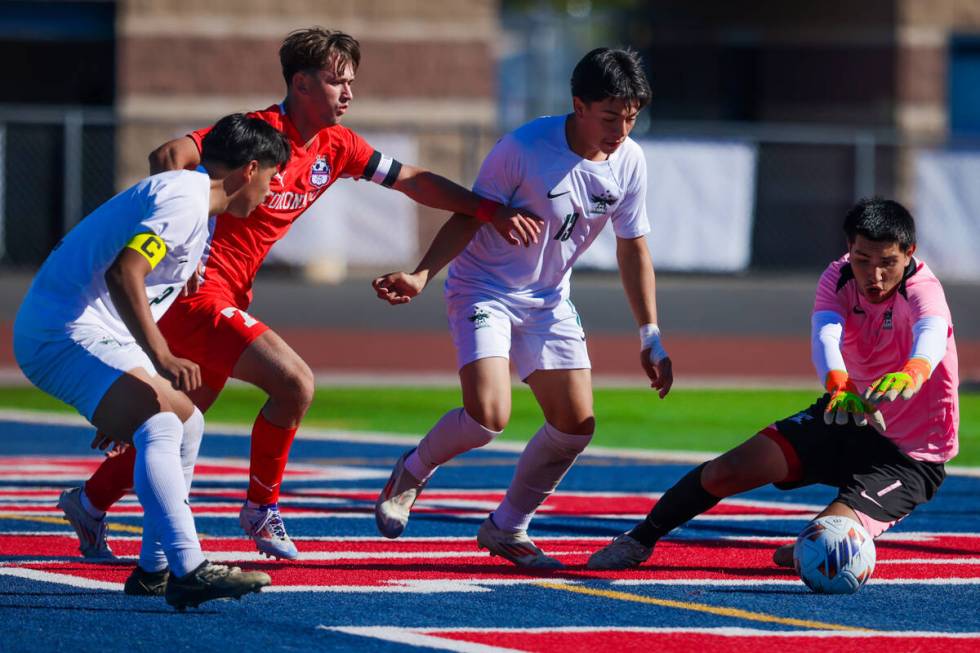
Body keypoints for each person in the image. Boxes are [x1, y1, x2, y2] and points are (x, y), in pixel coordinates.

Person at [58, 27, 541, 566]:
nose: (348, 92)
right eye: (337, 81)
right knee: (294, 382)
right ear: (301, 83)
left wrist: (489, 210)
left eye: (351, 81)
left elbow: (413, 181)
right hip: (197, 294)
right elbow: (166, 154)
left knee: (179, 417)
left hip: (232, 295)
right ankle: (259, 508)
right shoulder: (256, 133)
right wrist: (183, 250)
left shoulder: (339, 146)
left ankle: (89, 501)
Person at [372, 47, 673, 569]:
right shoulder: (524, 147)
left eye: (631, 117)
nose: (621, 129)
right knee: (489, 416)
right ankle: (412, 471)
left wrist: (650, 333)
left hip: (549, 299)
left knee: (577, 425)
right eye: (609, 117)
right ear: (578, 105)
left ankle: (507, 528)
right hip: (483, 287)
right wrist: (422, 274)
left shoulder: (630, 161)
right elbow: (470, 213)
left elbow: (633, 246)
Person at [587, 197, 958, 571]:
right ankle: (639, 539)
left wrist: (915, 369)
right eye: (863, 260)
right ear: (849, 249)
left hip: (911, 456)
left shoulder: (923, 288)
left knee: (828, 546)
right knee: (725, 471)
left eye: (887, 263)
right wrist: (838, 382)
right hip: (848, 413)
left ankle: (805, 549)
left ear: (909, 253)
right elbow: (825, 333)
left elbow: (933, 330)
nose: (874, 276)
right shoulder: (838, 276)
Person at [14, 114, 290, 608]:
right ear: (249, 170)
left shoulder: (194, 205)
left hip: (86, 333)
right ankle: (190, 568)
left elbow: (133, 284)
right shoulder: (184, 199)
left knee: (187, 422)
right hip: (60, 334)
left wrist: (126, 385)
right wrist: (158, 360)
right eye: (272, 178)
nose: (271, 193)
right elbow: (126, 274)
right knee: (162, 422)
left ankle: (154, 569)